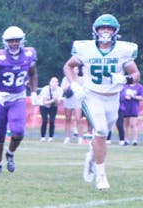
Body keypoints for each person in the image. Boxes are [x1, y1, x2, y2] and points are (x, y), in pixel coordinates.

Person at [63, 14, 140, 190]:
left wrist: (125, 79)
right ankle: (101, 176)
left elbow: (136, 75)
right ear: (96, 31)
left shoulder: (123, 50)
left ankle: (92, 153)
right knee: (101, 130)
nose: (106, 31)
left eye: (109, 28)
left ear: (115, 31)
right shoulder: (85, 48)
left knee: (103, 136)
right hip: (91, 96)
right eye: (102, 28)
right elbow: (68, 66)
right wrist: (74, 85)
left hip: (112, 98)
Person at [0, 26, 38, 174]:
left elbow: (33, 74)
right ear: (5, 42)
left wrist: (33, 92)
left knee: (18, 131)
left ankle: (10, 153)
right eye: (10, 41)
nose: (14, 43)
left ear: (22, 41)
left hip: (18, 97)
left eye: (16, 40)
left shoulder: (29, 54)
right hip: (0, 99)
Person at [38, 76, 60, 141]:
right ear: (50, 83)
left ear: (58, 83)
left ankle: (51, 137)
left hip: (53, 106)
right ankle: (42, 137)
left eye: (56, 82)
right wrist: (53, 100)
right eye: (53, 81)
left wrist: (54, 100)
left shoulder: (59, 90)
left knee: (52, 121)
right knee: (44, 120)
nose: (54, 83)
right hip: (43, 106)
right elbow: (45, 102)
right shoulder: (45, 89)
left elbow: (58, 103)